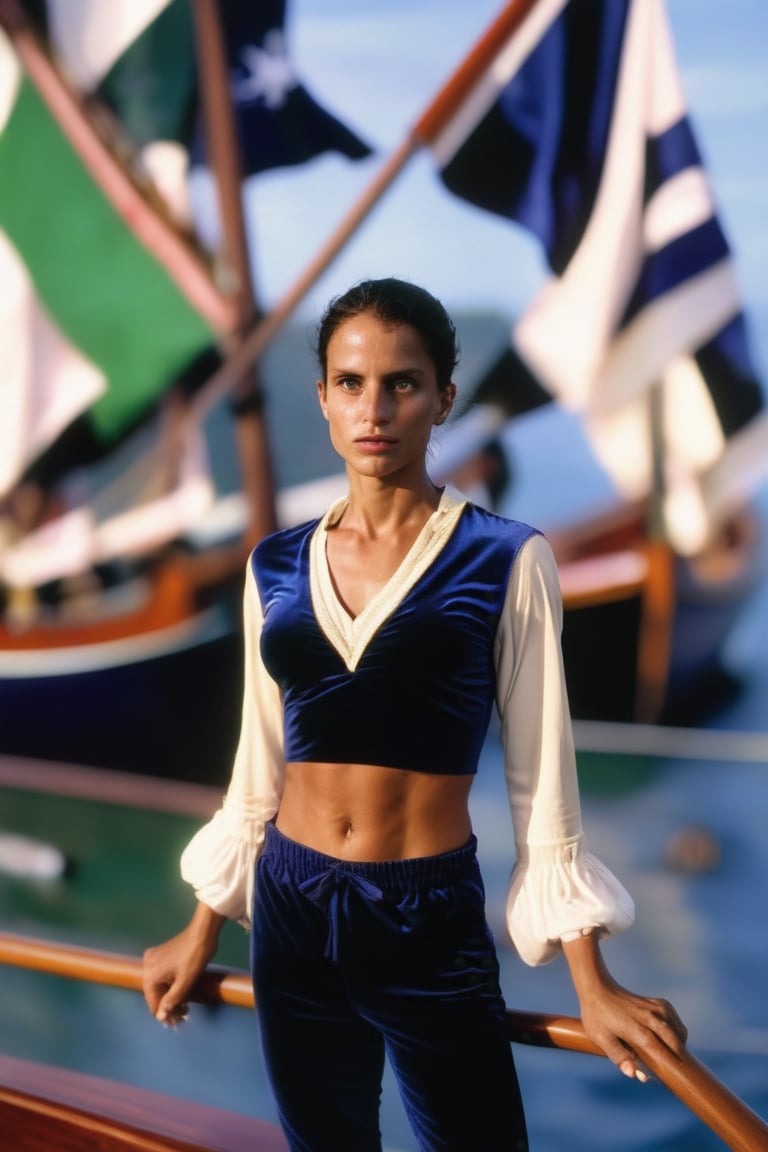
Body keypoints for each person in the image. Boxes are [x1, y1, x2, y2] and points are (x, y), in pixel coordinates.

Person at [143, 278, 687, 1152]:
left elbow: (542, 776)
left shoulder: (507, 559)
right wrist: (203, 924)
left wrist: (591, 981)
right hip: (290, 903)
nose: (375, 408)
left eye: (403, 383)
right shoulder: (273, 566)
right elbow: (257, 768)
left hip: (424, 914)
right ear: (321, 396)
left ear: (443, 398)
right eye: (351, 383)